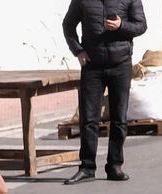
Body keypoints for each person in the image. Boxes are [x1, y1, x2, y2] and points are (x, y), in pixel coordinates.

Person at [63, 0, 148, 184]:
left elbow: (141, 25)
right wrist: (78, 51)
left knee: (119, 119)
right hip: (92, 66)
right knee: (88, 120)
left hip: (121, 64)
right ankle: (87, 168)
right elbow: (68, 25)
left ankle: (115, 166)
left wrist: (120, 25)